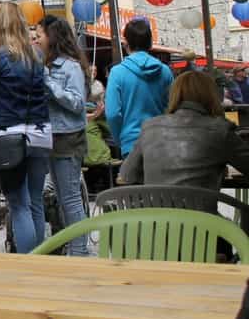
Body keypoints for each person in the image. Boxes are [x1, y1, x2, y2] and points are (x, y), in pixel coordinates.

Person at [0, 2, 51, 254]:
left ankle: (29, 264)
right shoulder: (37, 55)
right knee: (36, 202)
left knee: (19, 205)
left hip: (7, 136)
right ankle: (42, 260)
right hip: (40, 133)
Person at [120, 71, 249, 189]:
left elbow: (126, 176)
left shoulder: (149, 127)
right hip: (202, 213)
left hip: (156, 212)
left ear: (174, 94)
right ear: (212, 95)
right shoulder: (221, 130)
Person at [36, 15, 89, 256]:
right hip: (52, 137)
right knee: (61, 196)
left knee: (70, 198)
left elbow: (78, 103)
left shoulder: (70, 66)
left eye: (40, 34)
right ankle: (74, 245)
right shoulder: (47, 64)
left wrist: (49, 84)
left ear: (52, 37)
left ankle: (79, 250)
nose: (37, 38)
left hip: (68, 137)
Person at [105, 18, 173, 157]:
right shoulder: (165, 71)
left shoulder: (117, 72)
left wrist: (121, 139)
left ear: (126, 43)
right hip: (161, 141)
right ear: (150, 42)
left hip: (132, 143)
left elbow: (112, 114)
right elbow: (173, 107)